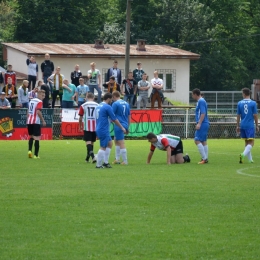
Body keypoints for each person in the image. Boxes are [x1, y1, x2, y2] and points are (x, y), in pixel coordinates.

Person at [95, 93, 126, 168]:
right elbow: (114, 119)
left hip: (100, 127)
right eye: (111, 99)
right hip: (104, 128)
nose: (111, 101)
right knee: (103, 146)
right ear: (108, 98)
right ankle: (98, 165)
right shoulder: (107, 107)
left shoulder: (98, 106)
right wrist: (122, 127)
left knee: (110, 144)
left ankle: (105, 162)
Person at [236, 88, 259, 163]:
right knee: (251, 142)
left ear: (245, 94)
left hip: (243, 125)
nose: (242, 95)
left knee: (246, 142)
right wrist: (257, 125)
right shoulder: (253, 103)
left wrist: (237, 126)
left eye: (242, 93)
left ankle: (250, 160)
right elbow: (255, 115)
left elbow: (238, 115)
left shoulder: (239, 103)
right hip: (250, 125)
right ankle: (243, 154)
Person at [78, 92, 99, 163]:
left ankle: (93, 156)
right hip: (95, 126)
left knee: (88, 142)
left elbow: (80, 117)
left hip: (87, 126)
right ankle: (87, 158)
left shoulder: (83, 105)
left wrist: (80, 126)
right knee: (92, 142)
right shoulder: (97, 105)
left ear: (86, 97)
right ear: (93, 98)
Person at [112, 91, 131, 165]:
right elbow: (129, 116)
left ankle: (125, 161)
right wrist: (128, 126)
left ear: (114, 96)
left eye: (112, 98)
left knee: (121, 142)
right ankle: (117, 159)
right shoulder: (126, 103)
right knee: (116, 140)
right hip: (125, 123)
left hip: (119, 124)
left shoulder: (115, 104)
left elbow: (112, 114)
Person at [192, 88, 210, 164]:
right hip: (205, 123)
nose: (192, 96)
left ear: (195, 94)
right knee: (203, 141)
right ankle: (205, 158)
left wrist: (199, 123)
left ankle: (204, 158)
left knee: (197, 140)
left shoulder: (201, 101)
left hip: (203, 123)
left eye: (192, 95)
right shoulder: (201, 101)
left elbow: (203, 113)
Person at [27, 89, 46, 159]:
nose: (43, 97)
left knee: (31, 136)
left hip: (29, 121)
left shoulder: (31, 101)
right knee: (37, 138)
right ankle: (36, 155)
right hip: (36, 122)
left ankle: (29, 151)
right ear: (39, 94)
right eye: (42, 95)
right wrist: (43, 120)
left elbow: (28, 111)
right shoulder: (39, 102)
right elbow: (38, 112)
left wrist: (27, 119)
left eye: (44, 96)